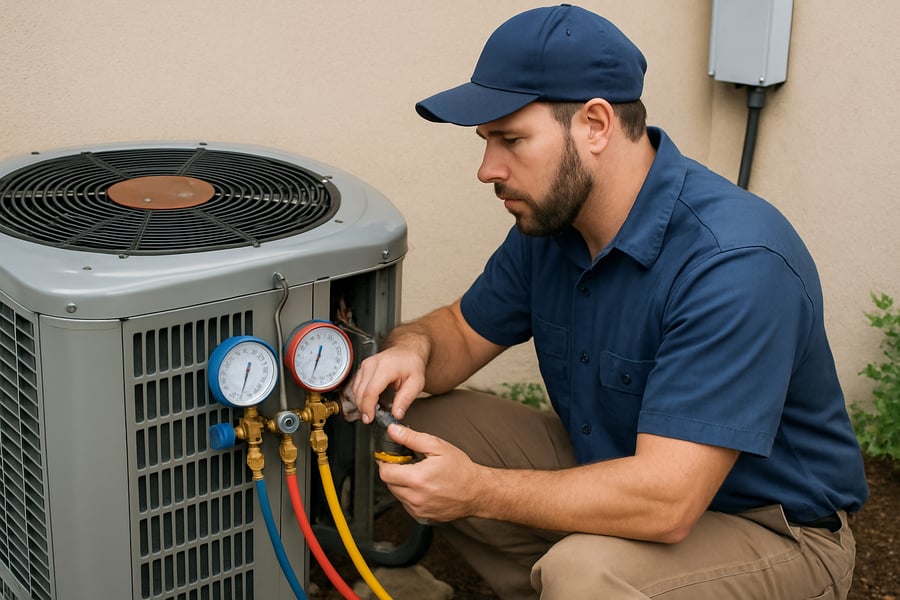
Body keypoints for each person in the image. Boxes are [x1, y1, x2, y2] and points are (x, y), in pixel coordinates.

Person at [347, 4, 868, 599]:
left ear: (595, 124)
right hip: (623, 478)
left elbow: (668, 501)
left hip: (772, 531)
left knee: (587, 574)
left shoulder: (733, 262)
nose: (487, 169)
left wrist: (480, 489)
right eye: (486, 141)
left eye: (511, 140)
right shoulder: (554, 224)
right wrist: (410, 350)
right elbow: (459, 334)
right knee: (409, 418)